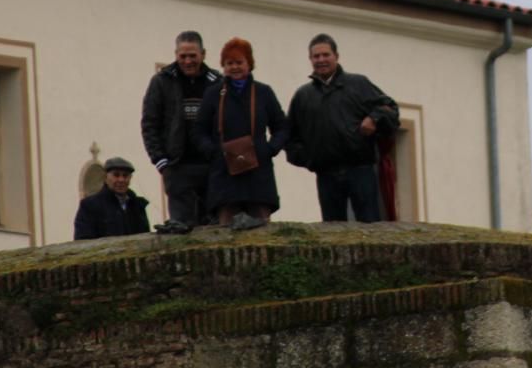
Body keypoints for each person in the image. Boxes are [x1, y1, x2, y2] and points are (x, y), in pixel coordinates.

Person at [285, 33, 399, 222]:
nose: (321, 60)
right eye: (316, 56)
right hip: (326, 175)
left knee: (369, 227)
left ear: (336, 56)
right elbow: (290, 135)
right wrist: (309, 159)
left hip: (361, 170)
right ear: (310, 59)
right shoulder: (303, 96)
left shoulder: (358, 84)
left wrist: (374, 118)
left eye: (326, 55)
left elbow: (391, 109)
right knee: (333, 230)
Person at [195, 37, 288, 231]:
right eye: (229, 63)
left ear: (249, 64)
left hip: (258, 177)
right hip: (224, 178)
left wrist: (268, 149)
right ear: (223, 66)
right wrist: (213, 152)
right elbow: (199, 130)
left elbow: (281, 126)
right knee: (226, 232)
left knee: (262, 232)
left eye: (239, 62)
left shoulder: (263, 93)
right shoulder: (213, 94)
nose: (234, 67)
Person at [141, 31, 222, 234]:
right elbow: (150, 124)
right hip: (177, 167)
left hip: (211, 167)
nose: (187, 61)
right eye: (183, 56)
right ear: (176, 54)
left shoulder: (217, 82)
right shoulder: (161, 81)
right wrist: (161, 161)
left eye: (192, 56)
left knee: (215, 229)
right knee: (180, 232)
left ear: (203, 54)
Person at [73, 157, 151, 239]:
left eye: (125, 176)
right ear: (106, 178)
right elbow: (83, 240)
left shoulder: (137, 206)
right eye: (116, 175)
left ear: (130, 178)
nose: (121, 180)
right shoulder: (90, 206)